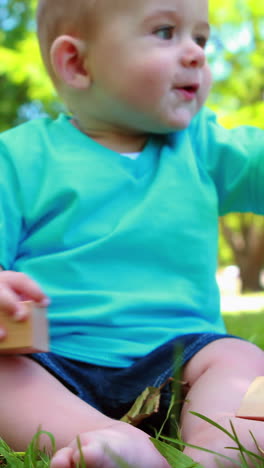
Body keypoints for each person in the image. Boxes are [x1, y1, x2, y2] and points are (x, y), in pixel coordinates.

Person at [0, 0, 263, 466]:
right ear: (77, 63)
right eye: (166, 32)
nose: (198, 54)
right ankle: (106, 442)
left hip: (183, 360)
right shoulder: (18, 158)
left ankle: (217, 455)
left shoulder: (203, 147)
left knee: (240, 360)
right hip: (50, 362)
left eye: (200, 38)